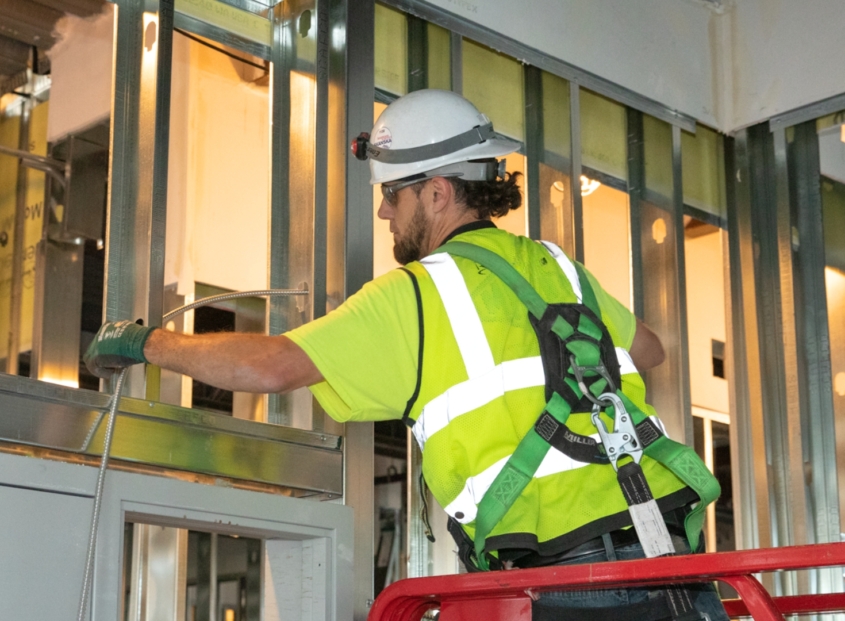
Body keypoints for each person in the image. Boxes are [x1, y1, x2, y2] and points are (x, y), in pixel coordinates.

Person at [85, 89, 727, 621]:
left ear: (440, 192)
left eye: (395, 193)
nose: (386, 212)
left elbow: (272, 366)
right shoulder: (558, 266)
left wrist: (147, 342)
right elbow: (649, 349)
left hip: (567, 589)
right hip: (675, 565)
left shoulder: (419, 292)